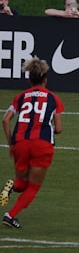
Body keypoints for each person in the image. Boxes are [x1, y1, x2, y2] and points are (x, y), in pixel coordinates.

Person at [1, 57, 63, 229]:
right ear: (45, 80)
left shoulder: (20, 97)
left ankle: (11, 184)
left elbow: (6, 120)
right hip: (42, 144)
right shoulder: (54, 98)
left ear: (29, 80)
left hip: (20, 142)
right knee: (33, 187)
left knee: (22, 183)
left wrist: (11, 144)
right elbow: (58, 129)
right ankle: (10, 215)